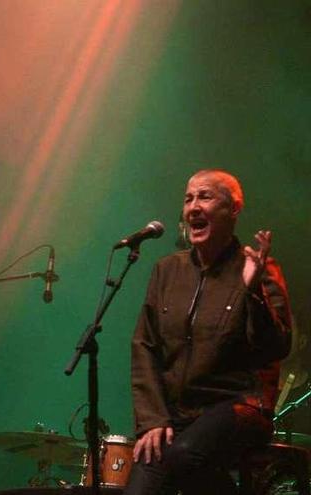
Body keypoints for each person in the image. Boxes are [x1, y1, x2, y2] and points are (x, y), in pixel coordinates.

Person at [125, 170, 292, 494]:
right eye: (188, 199)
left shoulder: (260, 268)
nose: (193, 207)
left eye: (205, 196)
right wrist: (152, 420)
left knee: (185, 456)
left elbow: (277, 346)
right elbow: (144, 345)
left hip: (240, 405)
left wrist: (253, 291)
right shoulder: (167, 270)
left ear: (233, 210)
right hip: (176, 414)